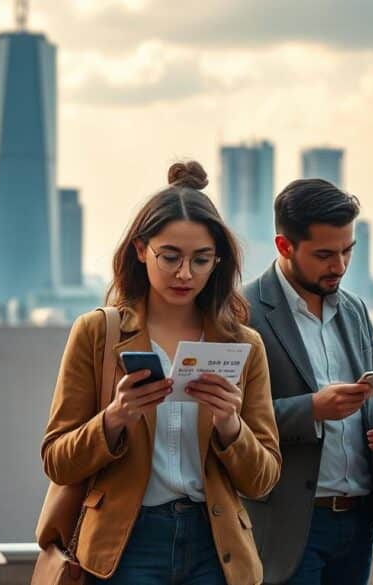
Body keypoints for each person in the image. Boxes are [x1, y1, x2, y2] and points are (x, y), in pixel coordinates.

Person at [39, 162, 281, 585]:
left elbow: (263, 479)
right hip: (125, 544)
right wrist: (113, 419)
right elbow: (57, 461)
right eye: (169, 257)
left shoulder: (243, 345)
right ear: (140, 250)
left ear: (217, 262)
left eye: (201, 260)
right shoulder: (98, 333)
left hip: (215, 546)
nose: (185, 274)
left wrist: (230, 426)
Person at [241, 179, 373, 585]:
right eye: (324, 255)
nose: (339, 266)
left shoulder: (354, 310)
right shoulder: (242, 314)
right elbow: (228, 420)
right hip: (289, 525)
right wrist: (311, 409)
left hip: (358, 521)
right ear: (285, 247)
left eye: (347, 251)